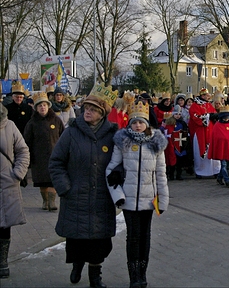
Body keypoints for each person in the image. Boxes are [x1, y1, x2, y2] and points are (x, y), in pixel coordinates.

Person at [49, 83, 119, 288]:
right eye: (86, 108)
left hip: (102, 198)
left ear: (102, 113)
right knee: (77, 239)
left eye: (93, 110)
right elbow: (56, 162)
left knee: (99, 242)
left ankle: (95, 277)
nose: (87, 112)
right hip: (76, 195)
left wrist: (117, 183)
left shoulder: (112, 135)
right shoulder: (71, 133)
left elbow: (121, 164)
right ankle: (77, 264)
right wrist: (65, 188)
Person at [105, 100, 169, 288]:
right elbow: (111, 170)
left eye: (141, 122)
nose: (138, 125)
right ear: (129, 124)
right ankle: (133, 276)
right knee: (133, 236)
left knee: (145, 236)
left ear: (147, 124)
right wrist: (118, 195)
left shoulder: (156, 143)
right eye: (134, 122)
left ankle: (143, 273)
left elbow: (161, 174)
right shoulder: (122, 142)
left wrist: (162, 200)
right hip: (129, 199)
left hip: (149, 200)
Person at [0, 103, 30, 279]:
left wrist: (17, 174)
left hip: (6, 183)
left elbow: (23, 151)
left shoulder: (9, 125)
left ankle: (2, 261)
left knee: (4, 224)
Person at [23, 92, 65, 211]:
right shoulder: (32, 123)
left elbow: (64, 136)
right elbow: (27, 140)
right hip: (39, 157)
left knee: (52, 180)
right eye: (40, 105)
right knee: (42, 182)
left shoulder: (56, 120)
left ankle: (52, 202)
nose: (43, 107)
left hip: (54, 155)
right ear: (36, 108)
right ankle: (45, 201)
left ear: (48, 106)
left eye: (45, 105)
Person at [189, 88, 220, 178]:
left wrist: (215, 117)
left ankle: (215, 170)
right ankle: (200, 171)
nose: (208, 97)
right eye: (207, 95)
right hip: (200, 132)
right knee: (200, 151)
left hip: (210, 131)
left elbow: (213, 113)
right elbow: (195, 117)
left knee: (212, 149)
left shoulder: (208, 104)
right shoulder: (195, 106)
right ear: (202, 96)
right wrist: (208, 116)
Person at [208, 105, 229, 187]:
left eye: (228, 117)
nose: (227, 119)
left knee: (226, 165)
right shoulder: (217, 126)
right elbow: (216, 137)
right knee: (224, 165)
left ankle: (219, 178)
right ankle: (227, 180)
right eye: (225, 117)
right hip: (221, 148)